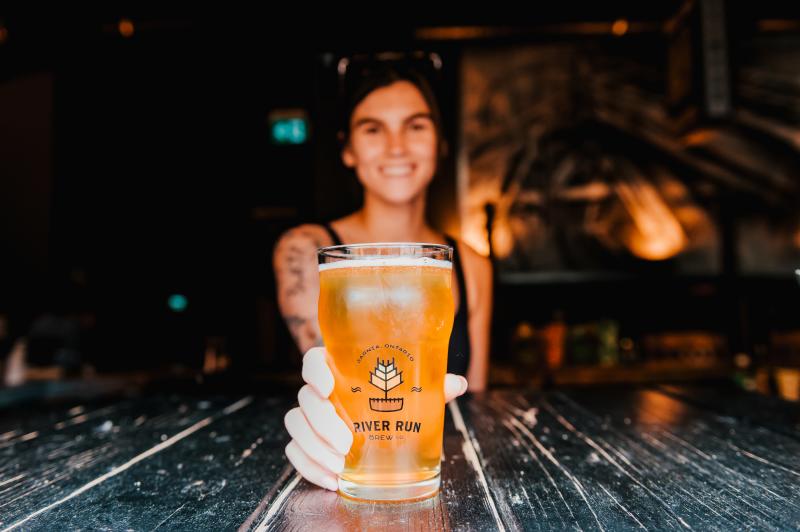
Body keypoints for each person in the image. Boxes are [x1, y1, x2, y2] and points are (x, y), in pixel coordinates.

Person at [273, 57, 493, 491]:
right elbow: (341, 388)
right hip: (356, 465)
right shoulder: (308, 250)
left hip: (438, 467)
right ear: (348, 150)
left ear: (440, 143)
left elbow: (477, 401)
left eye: (416, 126)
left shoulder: (470, 263)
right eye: (373, 129)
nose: (396, 146)